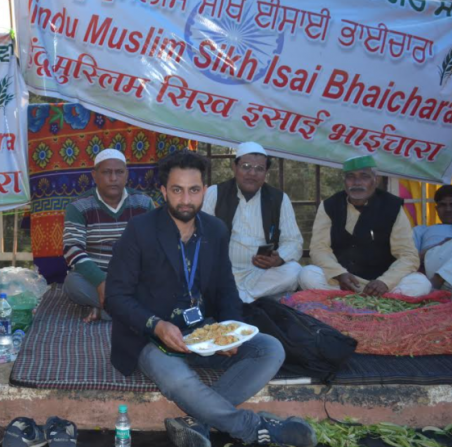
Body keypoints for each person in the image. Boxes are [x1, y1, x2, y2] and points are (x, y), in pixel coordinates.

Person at [106, 149, 316, 447]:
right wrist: (157, 325)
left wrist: (230, 331)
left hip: (200, 332)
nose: (186, 200)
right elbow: (115, 297)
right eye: (177, 190)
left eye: (194, 190)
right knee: (177, 380)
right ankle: (254, 428)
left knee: (270, 349)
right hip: (151, 337)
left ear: (205, 190)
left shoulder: (215, 230)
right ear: (164, 191)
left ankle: (197, 422)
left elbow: (225, 290)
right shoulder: (140, 230)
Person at [299, 156, 431, 297]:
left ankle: (368, 300)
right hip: (342, 283)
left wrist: (385, 282)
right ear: (344, 181)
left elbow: (408, 255)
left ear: (376, 180)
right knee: (307, 274)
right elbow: (319, 249)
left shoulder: (392, 206)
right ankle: (359, 300)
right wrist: (339, 273)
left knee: (420, 283)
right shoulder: (329, 206)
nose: (357, 183)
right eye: (351, 177)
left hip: (382, 284)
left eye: (364, 176)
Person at [201, 142, 303, 303]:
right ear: (234, 167)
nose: (252, 173)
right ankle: (249, 297)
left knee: (295, 270)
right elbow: (201, 235)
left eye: (259, 169)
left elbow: (294, 241)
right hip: (224, 272)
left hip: (261, 275)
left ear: (266, 173)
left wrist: (278, 258)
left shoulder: (278, 198)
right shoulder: (216, 193)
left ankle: (241, 298)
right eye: (246, 166)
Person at [62, 148, 155, 321]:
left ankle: (106, 310)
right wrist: (101, 281)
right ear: (94, 175)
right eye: (106, 172)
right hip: (95, 277)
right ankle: (130, 310)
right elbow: (72, 250)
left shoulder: (143, 203)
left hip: (133, 278)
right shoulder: (78, 206)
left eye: (119, 172)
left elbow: (154, 247)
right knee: (72, 283)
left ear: (126, 175)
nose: (113, 178)